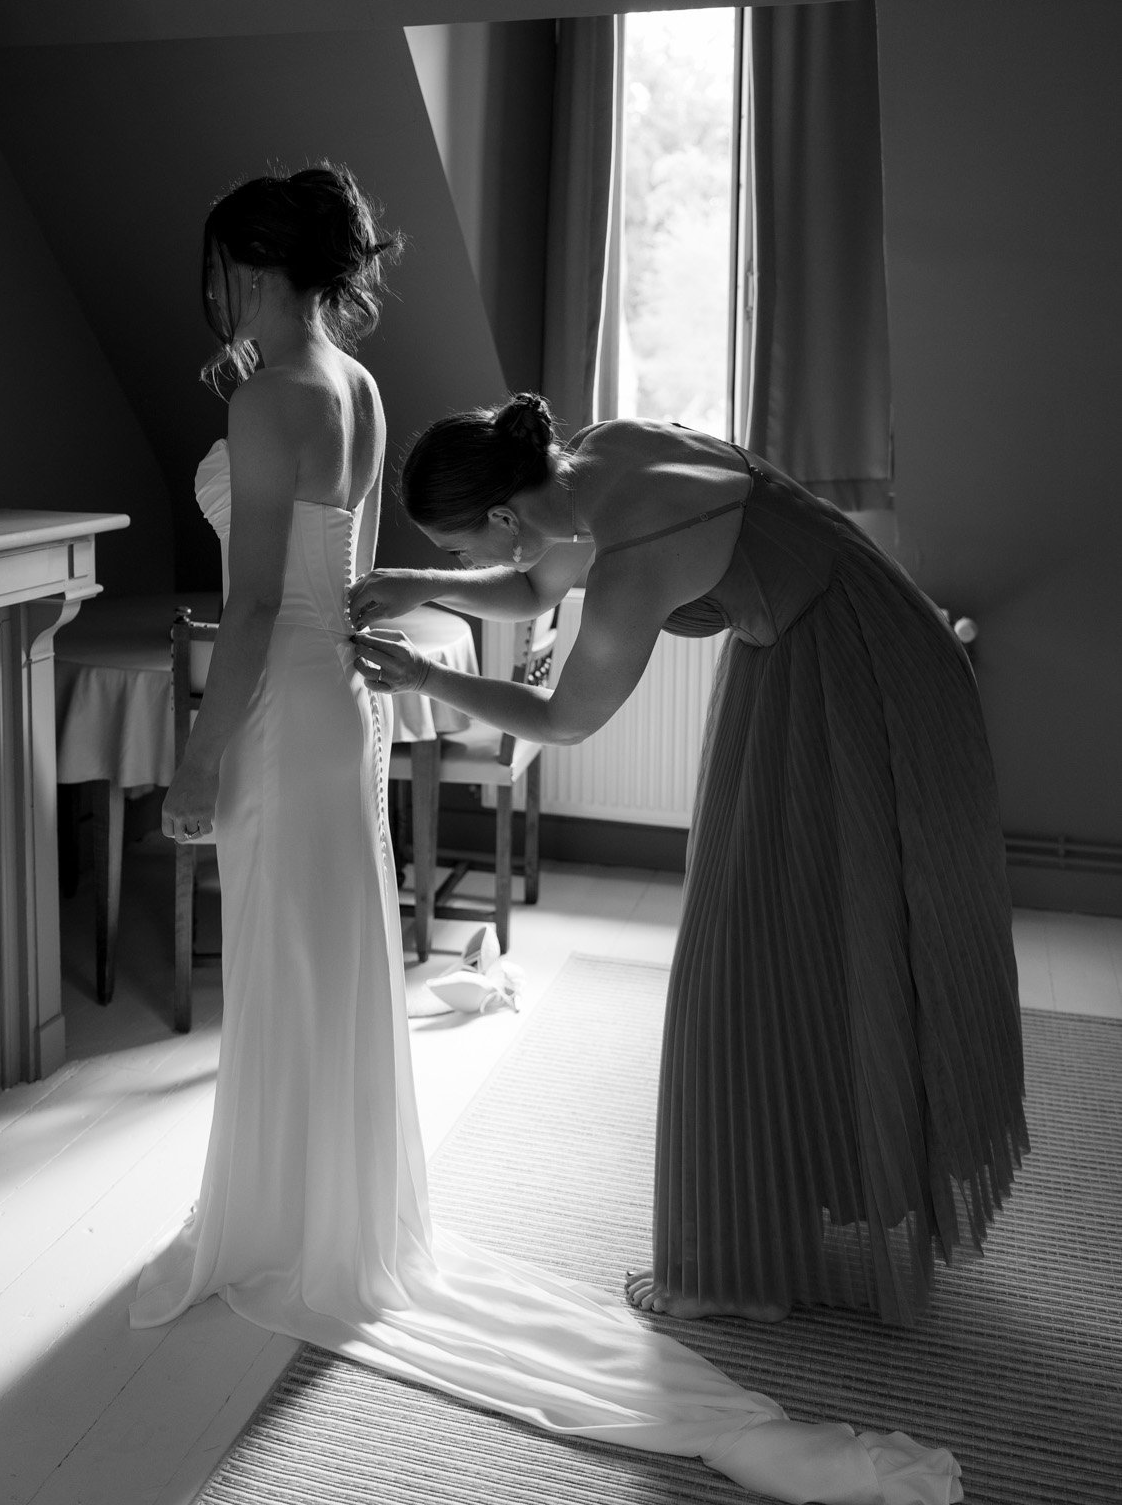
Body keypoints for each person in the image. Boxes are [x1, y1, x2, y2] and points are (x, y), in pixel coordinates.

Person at [132, 173, 962, 1504]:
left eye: (225, 269)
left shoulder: (269, 399)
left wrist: (190, 759)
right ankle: (332, 1211)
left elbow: (252, 618)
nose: (215, 289)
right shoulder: (351, 385)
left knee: (290, 966)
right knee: (331, 962)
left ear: (250, 265)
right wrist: (394, 597)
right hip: (338, 698)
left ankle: (290, 1221)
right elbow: (406, 564)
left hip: (288, 705)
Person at [351, 392, 1025, 1332]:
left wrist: (425, 676)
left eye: (460, 547)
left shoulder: (637, 560)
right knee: (798, 928)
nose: (464, 564)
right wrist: (417, 581)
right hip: (826, 642)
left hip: (862, 678)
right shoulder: (599, 454)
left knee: (748, 951)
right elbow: (536, 586)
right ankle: (831, 1175)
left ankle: (737, 1261)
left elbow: (563, 719)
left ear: (505, 514)